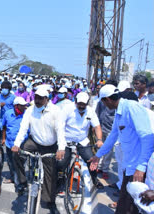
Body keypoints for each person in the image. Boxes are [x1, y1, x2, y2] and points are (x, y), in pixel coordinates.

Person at [89, 84, 154, 214]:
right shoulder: (120, 112)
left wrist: (141, 167)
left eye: (104, 102)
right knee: (125, 206)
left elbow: (147, 138)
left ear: (107, 100)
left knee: (130, 208)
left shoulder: (132, 108)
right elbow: (113, 136)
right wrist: (98, 156)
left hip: (137, 170)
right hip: (129, 167)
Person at [11, 87, 66, 213]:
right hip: (34, 142)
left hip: (50, 145)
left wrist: (61, 148)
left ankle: (50, 201)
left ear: (47, 99)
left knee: (50, 174)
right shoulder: (30, 110)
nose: (38, 100)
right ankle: (23, 181)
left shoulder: (56, 111)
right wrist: (17, 144)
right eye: (36, 97)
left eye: (41, 98)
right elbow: (23, 128)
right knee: (16, 154)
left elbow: (60, 130)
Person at [58, 92, 104, 190]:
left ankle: (94, 179)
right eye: (79, 104)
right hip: (67, 140)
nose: (81, 106)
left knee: (91, 160)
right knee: (61, 162)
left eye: (84, 104)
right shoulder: (67, 109)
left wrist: (99, 140)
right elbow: (60, 126)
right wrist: (61, 145)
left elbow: (97, 126)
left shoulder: (90, 111)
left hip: (82, 141)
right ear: (75, 102)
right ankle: (60, 181)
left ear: (87, 103)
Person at [1, 97, 27, 188]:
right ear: (16, 106)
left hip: (22, 144)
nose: (24, 107)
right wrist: (3, 139)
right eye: (22, 105)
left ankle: (19, 182)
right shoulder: (8, 114)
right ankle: (13, 177)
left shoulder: (26, 115)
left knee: (20, 163)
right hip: (9, 143)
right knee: (10, 162)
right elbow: (4, 127)